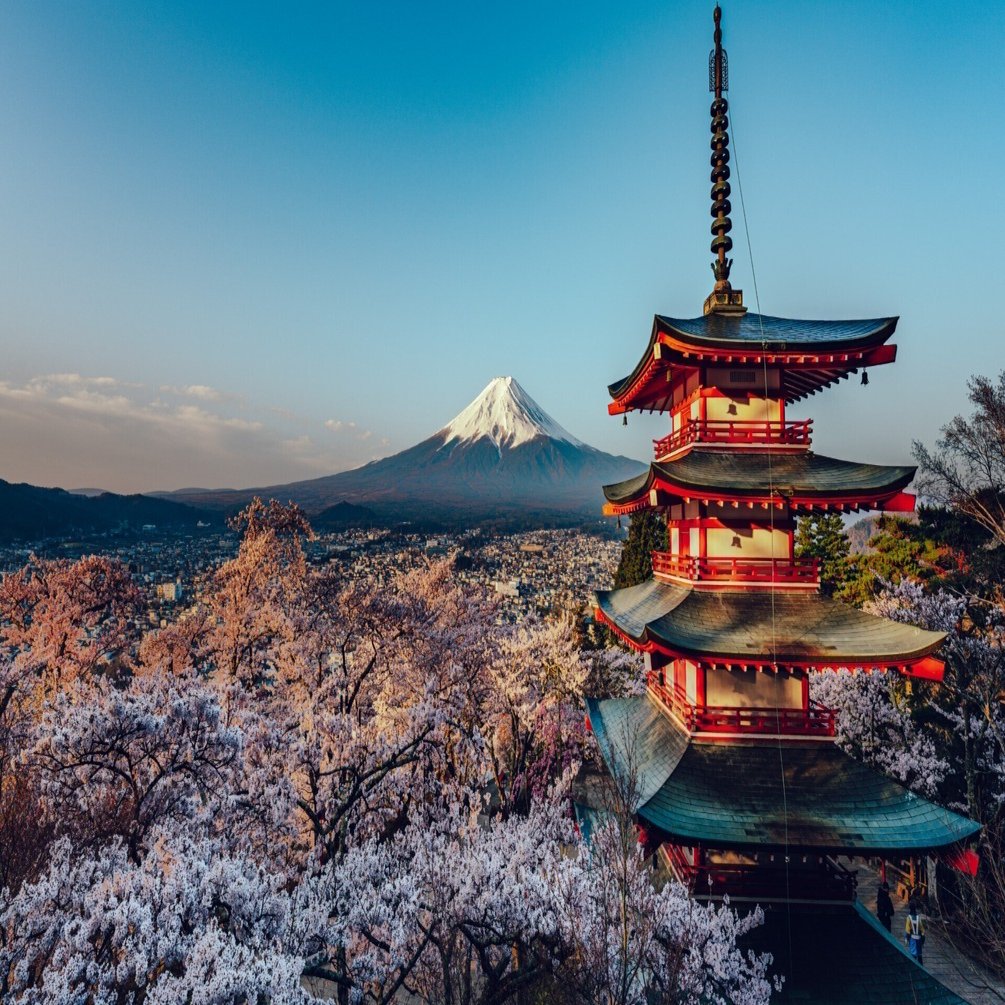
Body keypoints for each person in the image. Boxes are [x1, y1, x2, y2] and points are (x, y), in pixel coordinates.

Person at [905, 898, 926, 965]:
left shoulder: (909, 918)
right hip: (919, 938)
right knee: (919, 954)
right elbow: (922, 931)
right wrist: (923, 941)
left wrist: (906, 939)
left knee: (913, 954)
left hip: (912, 938)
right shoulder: (918, 918)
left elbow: (907, 930)